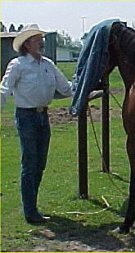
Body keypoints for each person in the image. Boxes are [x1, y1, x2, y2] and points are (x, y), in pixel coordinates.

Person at [1, 24, 73, 223]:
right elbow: (4, 89)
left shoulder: (48, 64)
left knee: (40, 163)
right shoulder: (18, 65)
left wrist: (86, 89)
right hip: (26, 118)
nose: (41, 42)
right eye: (37, 39)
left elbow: (66, 88)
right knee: (30, 163)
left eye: (41, 38)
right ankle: (30, 211)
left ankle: (33, 207)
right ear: (27, 44)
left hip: (43, 117)